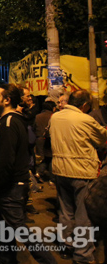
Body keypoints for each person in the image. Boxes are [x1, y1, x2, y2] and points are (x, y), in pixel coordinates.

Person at [0, 84, 56, 264]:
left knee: (19, 228)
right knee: (3, 224)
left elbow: (7, 158)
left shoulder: (10, 123)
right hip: (7, 185)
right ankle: (7, 256)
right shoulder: (7, 120)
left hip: (11, 186)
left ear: (7, 100)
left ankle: (48, 261)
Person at [49, 89, 107, 263]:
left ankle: (67, 245)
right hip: (82, 172)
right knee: (84, 217)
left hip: (60, 170)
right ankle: (83, 255)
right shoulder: (85, 119)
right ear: (84, 105)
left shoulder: (56, 118)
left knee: (66, 212)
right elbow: (101, 140)